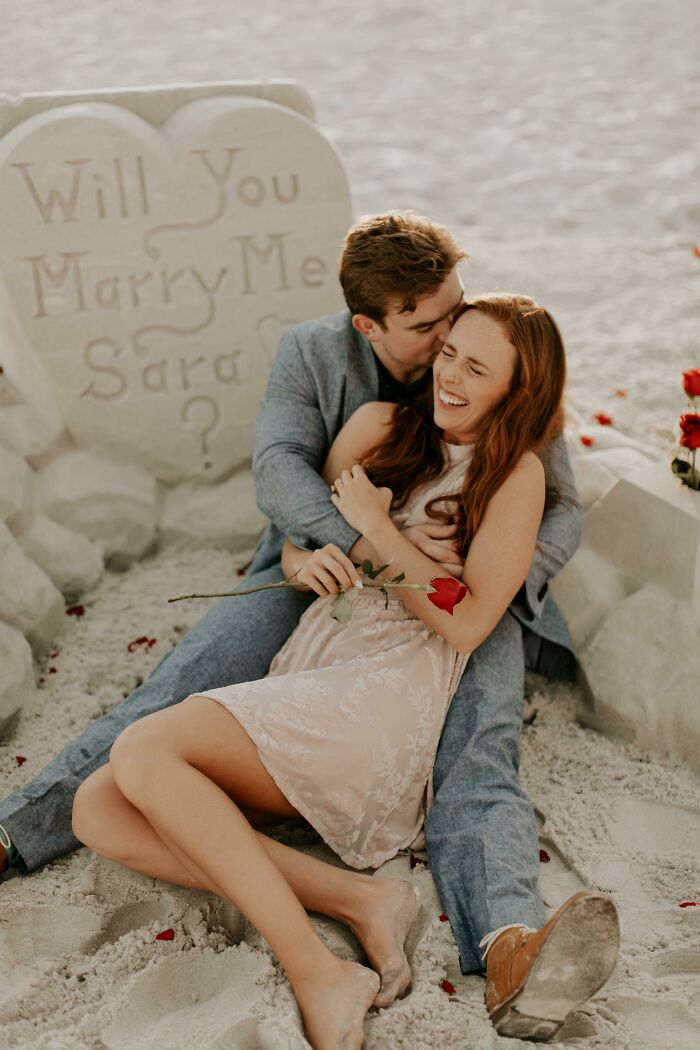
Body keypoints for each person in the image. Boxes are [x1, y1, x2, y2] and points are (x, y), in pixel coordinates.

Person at [0, 213, 618, 1042]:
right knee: (166, 703)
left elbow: (536, 535)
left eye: (460, 328)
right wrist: (344, 547)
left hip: (450, 613)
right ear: (373, 326)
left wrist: (467, 570)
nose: (446, 350)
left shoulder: (509, 391)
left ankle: (502, 945)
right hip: (325, 594)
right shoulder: (341, 382)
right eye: (432, 333)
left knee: (480, 754)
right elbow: (283, 478)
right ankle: (25, 834)